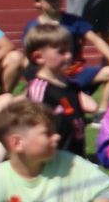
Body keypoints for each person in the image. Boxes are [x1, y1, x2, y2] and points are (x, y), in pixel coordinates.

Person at [21, 22, 99, 158]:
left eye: (70, 50)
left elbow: (89, 108)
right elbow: (34, 126)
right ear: (39, 57)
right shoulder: (39, 88)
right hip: (52, 159)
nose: (69, 56)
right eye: (61, 52)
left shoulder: (71, 85)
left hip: (75, 156)